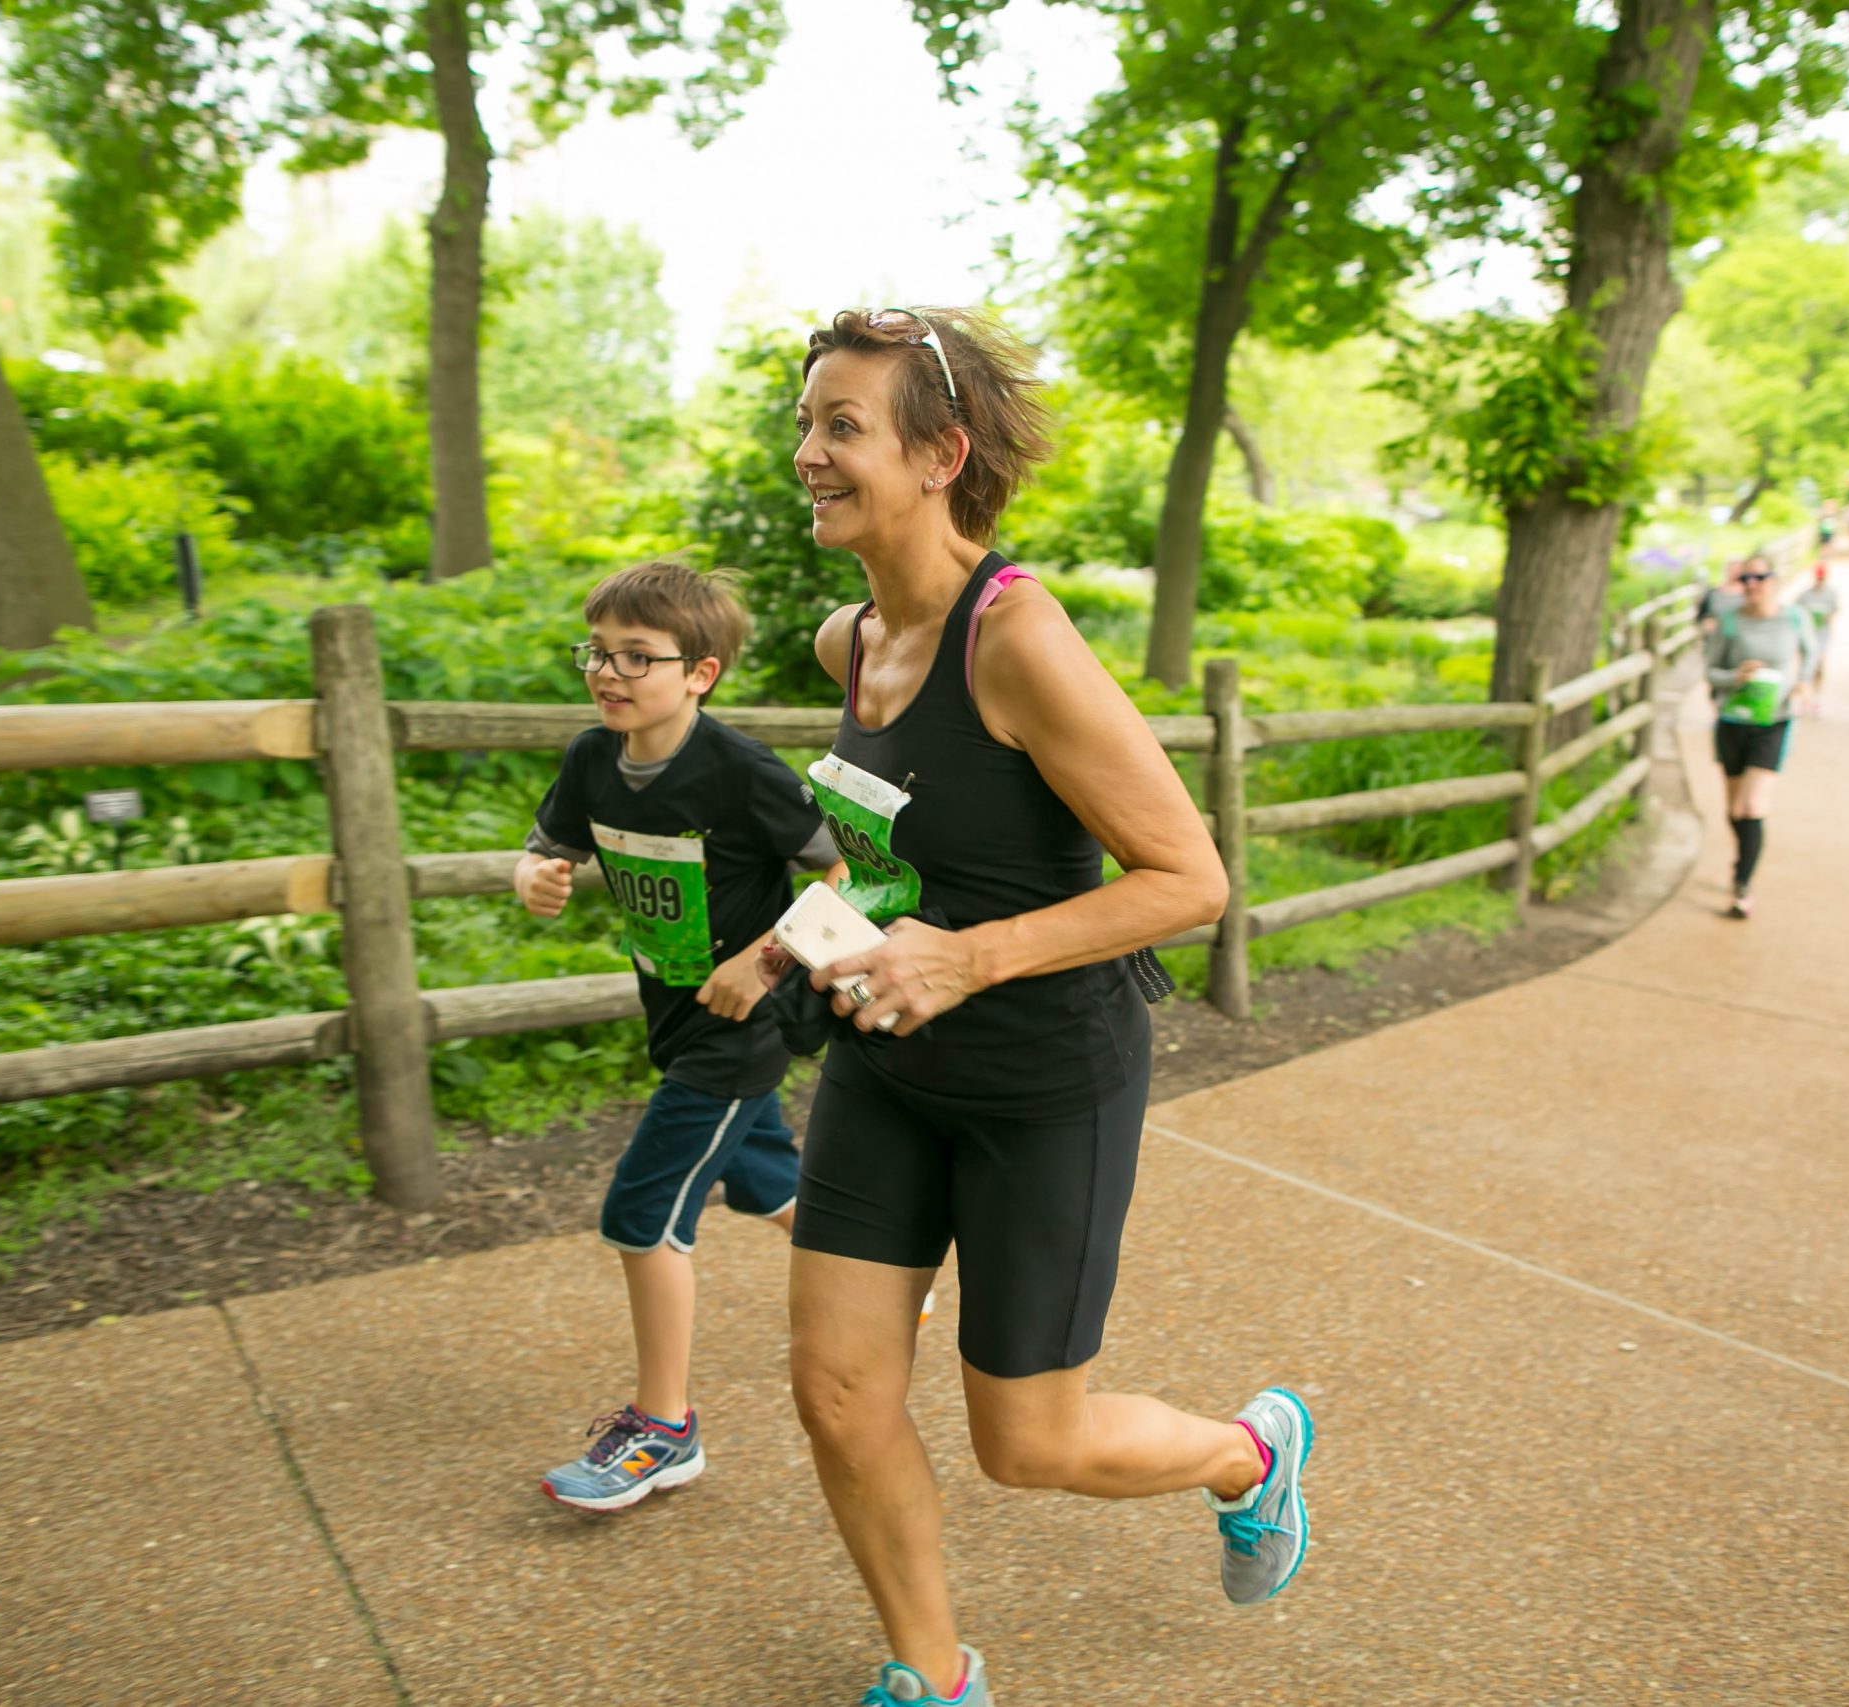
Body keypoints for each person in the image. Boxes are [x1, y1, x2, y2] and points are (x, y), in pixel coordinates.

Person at [777, 308, 1307, 1707]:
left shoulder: (1016, 635)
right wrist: (818, 925)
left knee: (1029, 1440)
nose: (809, 454)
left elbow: (1190, 877)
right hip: (888, 1064)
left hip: (1040, 1079)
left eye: (844, 426)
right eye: (807, 422)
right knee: (835, 1388)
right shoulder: (851, 639)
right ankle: (933, 1671)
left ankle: (1249, 1453)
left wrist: (964, 956)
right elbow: (895, 844)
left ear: (942, 453)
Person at [519, 560, 841, 1514]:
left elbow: (846, 879)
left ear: (700, 672)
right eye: (598, 652)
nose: (609, 673)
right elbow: (551, 846)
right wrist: (533, 875)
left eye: (637, 657)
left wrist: (765, 961)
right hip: (672, 1015)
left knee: (642, 1215)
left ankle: (665, 1429)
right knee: (764, 1180)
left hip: (742, 1027)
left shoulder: (741, 771)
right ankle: (893, 1274)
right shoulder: (591, 758)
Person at [1705, 561, 1817, 919]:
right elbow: (1709, 670)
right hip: (1733, 719)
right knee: (1734, 808)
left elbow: (1812, 654)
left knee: (1750, 806)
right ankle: (1743, 859)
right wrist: (1734, 676)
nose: (1753, 585)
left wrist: (1803, 683)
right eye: (1746, 579)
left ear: (1774, 581)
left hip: (1775, 720)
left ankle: (1742, 886)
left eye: (1760, 578)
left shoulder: (1795, 619)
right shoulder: (1729, 621)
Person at [1794, 562, 1840, 703]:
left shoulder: (1831, 594)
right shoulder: (1805, 595)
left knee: (1820, 666)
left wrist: (1827, 617)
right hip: (1807, 635)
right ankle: (1804, 695)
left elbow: (1835, 610)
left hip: (1822, 635)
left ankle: (1817, 697)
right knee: (1806, 666)